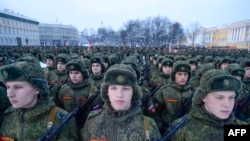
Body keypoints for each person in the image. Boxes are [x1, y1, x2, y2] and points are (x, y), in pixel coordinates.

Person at [0, 61, 79, 141]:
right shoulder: (8, 116)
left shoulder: (61, 120)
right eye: (8, 87)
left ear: (37, 88)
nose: (10, 94)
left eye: (18, 87)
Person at [81, 64, 161, 141]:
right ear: (106, 91)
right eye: (113, 88)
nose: (119, 95)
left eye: (126, 89)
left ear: (133, 92)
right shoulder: (92, 121)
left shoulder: (148, 126)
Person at [170, 69, 246, 141]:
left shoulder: (240, 129)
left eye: (231, 97)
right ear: (203, 97)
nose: (227, 104)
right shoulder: (181, 128)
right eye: (219, 97)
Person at [57, 58, 102, 129]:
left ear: (83, 73)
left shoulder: (92, 90)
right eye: (71, 73)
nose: (73, 76)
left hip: (87, 126)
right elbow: (60, 107)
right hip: (68, 126)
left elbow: (97, 111)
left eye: (76, 73)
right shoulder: (64, 90)